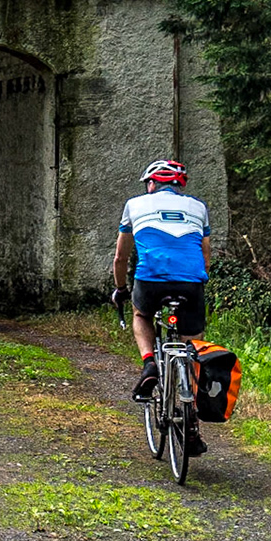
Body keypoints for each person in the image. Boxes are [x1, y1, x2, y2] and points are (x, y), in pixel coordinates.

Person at [111, 158, 213, 455]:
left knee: (141, 314)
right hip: (191, 282)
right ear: (179, 186)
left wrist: (120, 289)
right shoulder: (198, 207)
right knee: (190, 344)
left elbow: (120, 257)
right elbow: (205, 257)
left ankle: (149, 364)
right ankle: (191, 422)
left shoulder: (135, 205)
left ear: (151, 184)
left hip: (151, 280)